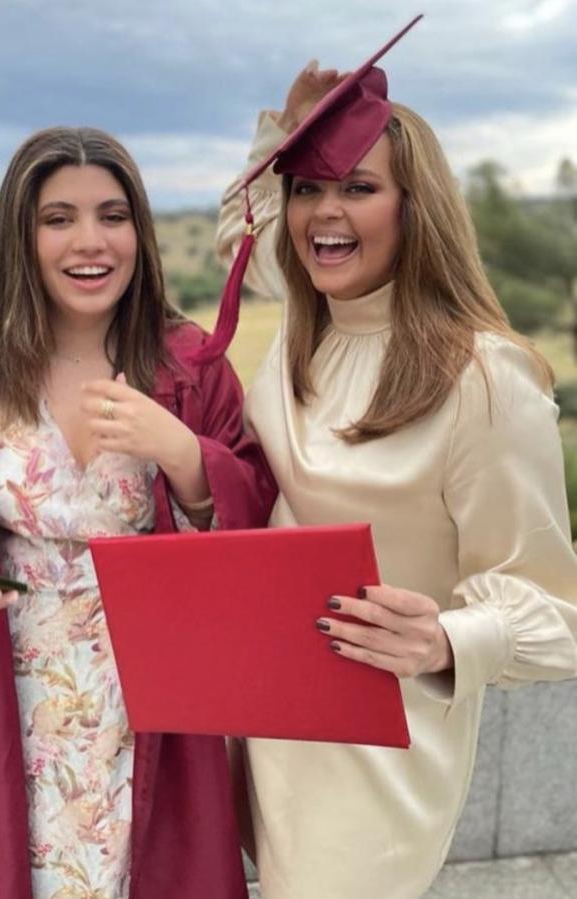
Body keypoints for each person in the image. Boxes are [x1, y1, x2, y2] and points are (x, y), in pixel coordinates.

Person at [0, 125, 276, 899]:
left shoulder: (187, 366)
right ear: (21, 234)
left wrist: (183, 453)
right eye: (58, 218)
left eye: (112, 214)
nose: (90, 240)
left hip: (157, 697)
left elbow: (257, 511)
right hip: (17, 689)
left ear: (139, 228)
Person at [211, 19, 577, 899]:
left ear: (416, 208)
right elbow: (242, 228)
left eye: (358, 188)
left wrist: (449, 636)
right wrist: (284, 136)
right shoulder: (309, 316)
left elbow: (558, 610)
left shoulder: (484, 379)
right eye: (307, 190)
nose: (322, 214)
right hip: (266, 709)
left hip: (382, 740)